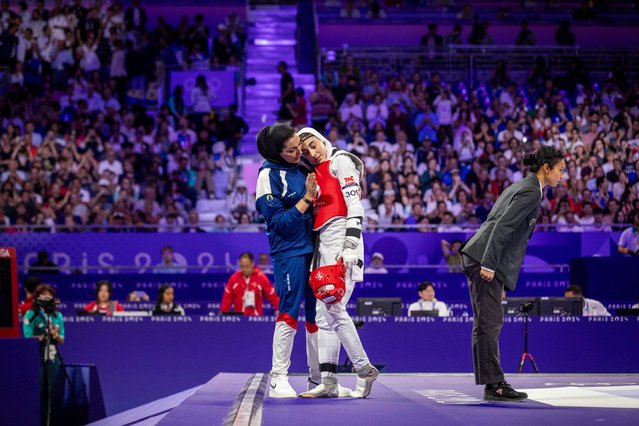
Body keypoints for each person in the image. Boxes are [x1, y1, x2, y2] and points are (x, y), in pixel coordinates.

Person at [460, 145, 565, 402]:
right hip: (484, 258)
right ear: (546, 168)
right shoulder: (530, 191)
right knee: (489, 323)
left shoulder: (522, 186)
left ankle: (492, 382)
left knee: (487, 322)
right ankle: (494, 385)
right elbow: (502, 227)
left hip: (481, 255)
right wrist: (489, 264)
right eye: (561, 170)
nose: (563, 175)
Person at [297, 127, 379, 399]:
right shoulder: (314, 174)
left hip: (343, 240)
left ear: (322, 139)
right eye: (305, 150)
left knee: (333, 308)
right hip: (323, 245)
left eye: (312, 145)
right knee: (324, 315)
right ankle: (329, 381)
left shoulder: (341, 160)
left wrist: (351, 245)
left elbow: (355, 204)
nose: (311, 152)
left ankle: (364, 368)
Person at [254, 123, 319, 398]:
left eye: (299, 148)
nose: (298, 153)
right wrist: (306, 199)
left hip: (315, 249)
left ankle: (319, 378)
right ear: (276, 152)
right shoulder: (267, 176)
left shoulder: (303, 167)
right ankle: (278, 377)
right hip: (289, 251)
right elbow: (279, 223)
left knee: (318, 315)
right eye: (291, 150)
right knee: (290, 309)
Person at [23, 284, 65, 426]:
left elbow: (62, 340)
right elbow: (27, 338)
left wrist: (55, 334)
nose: (47, 296)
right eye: (43, 293)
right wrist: (42, 335)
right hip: (36, 357)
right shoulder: (31, 314)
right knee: (39, 389)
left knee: (51, 391)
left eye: (49, 293)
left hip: (53, 357)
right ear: (37, 296)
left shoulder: (57, 315)